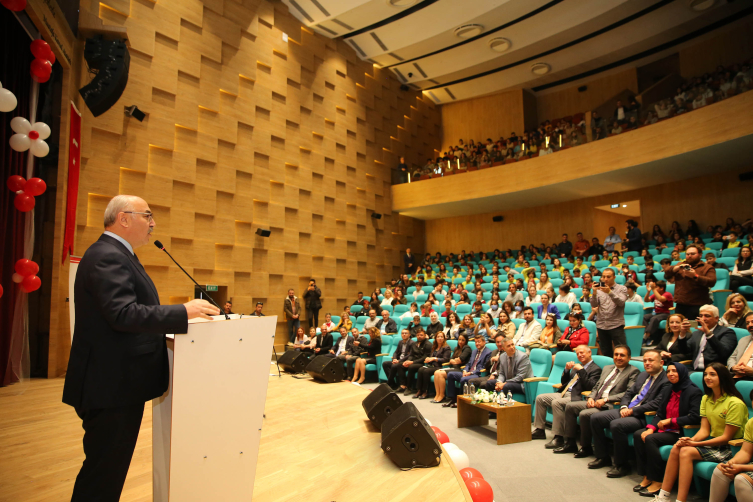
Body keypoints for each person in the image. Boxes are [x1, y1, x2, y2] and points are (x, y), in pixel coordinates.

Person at [62, 195, 220, 502]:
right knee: (103, 475)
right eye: (147, 216)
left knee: (107, 472)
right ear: (123, 218)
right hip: (110, 385)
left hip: (115, 383)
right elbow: (122, 314)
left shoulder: (118, 254)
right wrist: (182, 312)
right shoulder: (108, 255)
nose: (153, 223)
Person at [652, 363, 747, 502]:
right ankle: (663, 497)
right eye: (706, 374)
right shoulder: (706, 399)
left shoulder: (735, 403)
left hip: (731, 448)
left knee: (686, 451)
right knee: (678, 446)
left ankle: (680, 500)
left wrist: (695, 443)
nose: (707, 378)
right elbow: (704, 430)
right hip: (714, 444)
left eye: (712, 374)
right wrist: (690, 441)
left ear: (723, 377)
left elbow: (726, 438)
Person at [588, 350, 670, 476]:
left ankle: (622, 465)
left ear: (661, 362)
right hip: (627, 409)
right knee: (595, 418)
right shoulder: (643, 375)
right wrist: (624, 406)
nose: (647, 363)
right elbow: (629, 393)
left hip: (643, 416)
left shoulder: (666, 381)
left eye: (651, 360)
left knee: (617, 425)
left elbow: (656, 403)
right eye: (645, 361)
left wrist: (632, 410)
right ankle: (602, 457)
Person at [632, 362, 703, 497]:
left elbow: (695, 417)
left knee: (651, 439)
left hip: (680, 432)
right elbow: (660, 413)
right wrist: (651, 428)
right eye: (668, 371)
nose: (670, 374)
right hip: (664, 429)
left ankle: (658, 480)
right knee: (639, 434)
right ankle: (647, 476)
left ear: (682, 373)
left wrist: (672, 421)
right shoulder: (668, 389)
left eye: (674, 371)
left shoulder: (693, 391)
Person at [554, 346, 639, 456]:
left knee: (585, 414)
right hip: (595, 400)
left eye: (622, 355)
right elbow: (596, 387)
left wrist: (605, 399)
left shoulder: (633, 371)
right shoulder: (608, 368)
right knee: (570, 406)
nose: (618, 357)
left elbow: (628, 393)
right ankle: (570, 443)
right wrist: (590, 397)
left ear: (629, 358)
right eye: (616, 354)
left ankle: (586, 447)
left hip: (610, 405)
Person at [531, 345, 602, 448]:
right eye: (577, 354)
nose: (580, 355)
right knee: (540, 398)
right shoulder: (577, 366)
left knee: (557, 403)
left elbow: (590, 386)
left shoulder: (596, 369)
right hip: (564, 392)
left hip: (576, 396)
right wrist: (566, 370)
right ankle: (540, 430)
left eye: (582, 352)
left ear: (589, 352)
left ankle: (558, 437)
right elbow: (564, 382)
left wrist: (582, 371)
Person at [663, 244, 716, 320]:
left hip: (698, 305)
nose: (689, 256)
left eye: (693, 254)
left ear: (700, 255)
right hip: (681, 305)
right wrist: (676, 268)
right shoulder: (681, 264)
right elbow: (667, 271)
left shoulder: (707, 267)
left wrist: (695, 276)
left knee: (695, 329)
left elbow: (712, 282)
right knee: (680, 328)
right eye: (687, 254)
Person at [444, 334, 491, 409]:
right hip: (468, 372)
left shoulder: (488, 352)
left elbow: (483, 367)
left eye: (479, 342)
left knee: (463, 379)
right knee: (450, 374)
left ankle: (460, 400)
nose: (477, 344)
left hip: (477, 374)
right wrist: (465, 370)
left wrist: (470, 373)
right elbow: (469, 364)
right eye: (476, 342)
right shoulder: (474, 351)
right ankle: (452, 399)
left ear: (484, 342)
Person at [589, 268, 627, 357]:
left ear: (614, 277)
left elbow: (621, 303)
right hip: (602, 325)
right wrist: (594, 293)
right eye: (604, 276)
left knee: (622, 351)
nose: (605, 279)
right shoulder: (599, 289)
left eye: (608, 277)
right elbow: (594, 304)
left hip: (616, 324)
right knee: (606, 352)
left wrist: (610, 292)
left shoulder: (622, 289)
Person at [687, 304, 737, 371]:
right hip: (694, 369)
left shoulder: (727, 332)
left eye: (707, 316)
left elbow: (724, 353)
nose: (703, 319)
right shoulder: (697, 333)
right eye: (701, 316)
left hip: (714, 371)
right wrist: (682, 334)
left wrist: (709, 334)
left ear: (716, 318)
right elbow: (686, 351)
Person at [433, 333, 472, 404]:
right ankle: (437, 394)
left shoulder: (467, 348)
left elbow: (461, 359)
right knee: (436, 372)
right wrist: (455, 361)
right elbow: (451, 360)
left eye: (463, 340)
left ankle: (442, 395)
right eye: (459, 339)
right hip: (453, 368)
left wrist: (456, 361)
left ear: (466, 341)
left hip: (460, 369)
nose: (460, 342)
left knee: (441, 374)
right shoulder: (456, 349)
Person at [414, 332, 451, 399]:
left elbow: (445, 359)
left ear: (444, 338)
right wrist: (428, 359)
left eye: (441, 337)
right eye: (438, 337)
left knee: (426, 371)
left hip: (439, 366)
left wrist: (435, 359)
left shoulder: (446, 347)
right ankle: (419, 390)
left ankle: (426, 391)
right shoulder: (434, 347)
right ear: (436, 338)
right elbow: (430, 356)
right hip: (432, 365)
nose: (440, 338)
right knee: (420, 369)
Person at [399, 329, 433, 395]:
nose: (419, 336)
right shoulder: (414, 344)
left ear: (425, 335)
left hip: (422, 363)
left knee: (411, 367)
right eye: (418, 335)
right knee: (400, 365)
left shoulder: (428, 344)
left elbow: (424, 357)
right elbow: (411, 354)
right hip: (414, 361)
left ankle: (409, 388)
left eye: (421, 335)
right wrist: (408, 361)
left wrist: (412, 362)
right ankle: (403, 385)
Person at [643, 280, 673, 345]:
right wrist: (648, 291)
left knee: (654, 318)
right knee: (644, 317)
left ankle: (645, 337)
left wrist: (653, 289)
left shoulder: (667, 294)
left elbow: (661, 299)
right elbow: (646, 300)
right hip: (656, 313)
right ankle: (649, 337)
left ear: (662, 288)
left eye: (656, 287)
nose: (655, 288)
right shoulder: (655, 294)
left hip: (666, 313)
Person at [727, 312, 753, 380]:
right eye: (747, 323)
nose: (750, 325)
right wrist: (733, 367)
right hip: (736, 376)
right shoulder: (743, 340)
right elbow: (732, 358)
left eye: (752, 322)